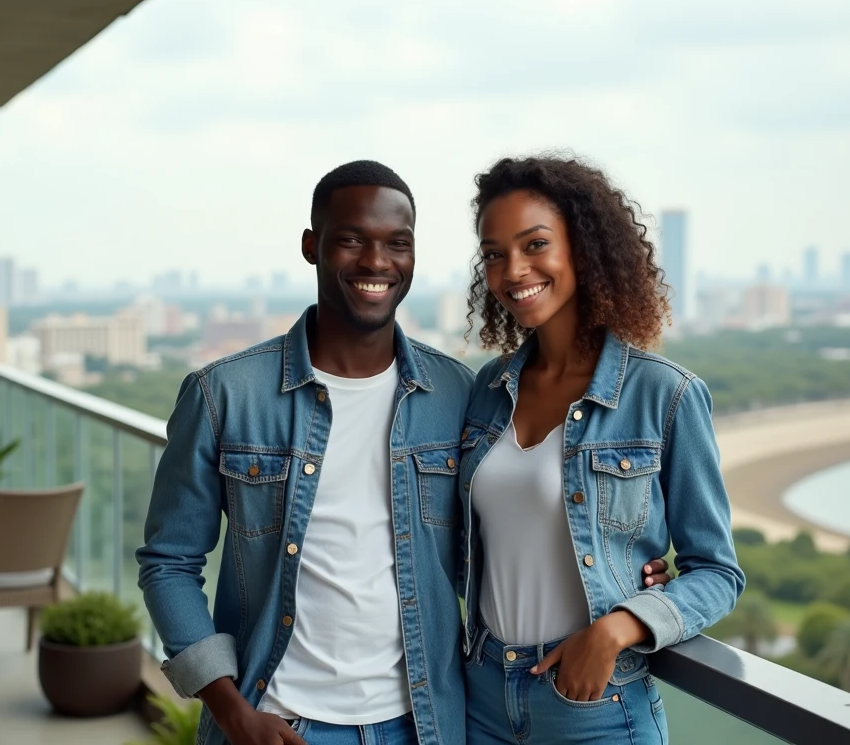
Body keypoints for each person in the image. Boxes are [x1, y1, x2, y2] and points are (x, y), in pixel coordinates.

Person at [137, 160, 671, 745]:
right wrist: (230, 708)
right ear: (312, 246)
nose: (375, 261)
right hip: (276, 721)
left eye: (397, 244)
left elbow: (512, 519)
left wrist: (629, 577)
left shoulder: (459, 394)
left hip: (424, 724)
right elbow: (169, 561)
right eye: (351, 240)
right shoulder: (224, 395)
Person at [459, 155, 744, 745]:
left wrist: (621, 626)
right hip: (481, 693)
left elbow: (717, 571)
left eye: (535, 244)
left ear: (584, 250)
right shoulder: (488, 390)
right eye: (494, 254)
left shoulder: (665, 395)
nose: (514, 270)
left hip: (594, 701)